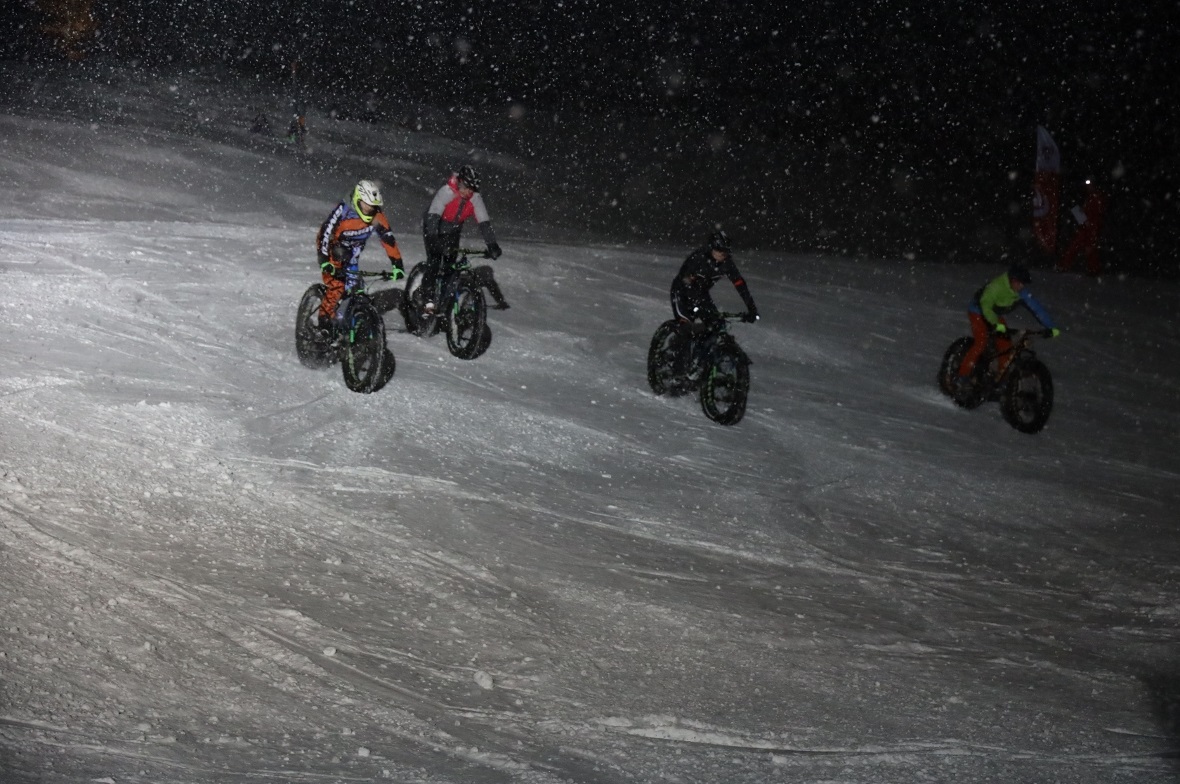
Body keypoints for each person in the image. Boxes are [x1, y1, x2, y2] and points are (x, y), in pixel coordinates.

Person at [953, 263, 1060, 394]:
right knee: (981, 343)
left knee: (1006, 346)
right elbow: (986, 305)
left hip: (994, 314)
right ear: (1012, 280)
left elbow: (1037, 308)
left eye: (1023, 284)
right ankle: (962, 376)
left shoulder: (1021, 292)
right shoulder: (996, 286)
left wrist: (1051, 326)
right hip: (978, 311)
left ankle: (1001, 379)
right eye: (1019, 283)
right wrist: (995, 324)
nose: (1021, 287)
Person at [315, 180, 405, 330]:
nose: (369, 210)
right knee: (337, 286)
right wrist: (324, 260)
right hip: (332, 249)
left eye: (372, 207)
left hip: (352, 254)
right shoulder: (343, 211)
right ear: (357, 199)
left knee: (357, 291)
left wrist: (397, 265)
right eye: (366, 205)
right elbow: (325, 233)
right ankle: (323, 322)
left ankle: (350, 327)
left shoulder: (377, 217)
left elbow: (388, 239)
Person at [668, 230, 759, 372]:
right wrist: (696, 305)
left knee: (715, 325)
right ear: (711, 248)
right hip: (681, 292)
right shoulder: (698, 258)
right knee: (685, 327)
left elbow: (740, 284)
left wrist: (751, 308)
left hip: (701, 294)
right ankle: (677, 368)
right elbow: (685, 281)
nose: (723, 255)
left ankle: (700, 363)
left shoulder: (726, 263)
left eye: (726, 252)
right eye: (719, 251)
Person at [420, 165, 503, 312]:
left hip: (453, 230)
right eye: (465, 187)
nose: (468, 192)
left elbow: (484, 223)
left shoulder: (475, 198)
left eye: (471, 189)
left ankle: (444, 299)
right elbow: (433, 217)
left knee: (450, 265)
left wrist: (492, 245)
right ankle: (427, 299)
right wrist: (434, 240)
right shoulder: (446, 192)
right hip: (434, 226)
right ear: (459, 183)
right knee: (434, 261)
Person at [1057, 179, 1107, 276]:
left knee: (1089, 249)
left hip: (1090, 227)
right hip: (1085, 227)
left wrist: (1089, 224)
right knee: (1077, 247)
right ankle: (1064, 266)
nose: (1088, 187)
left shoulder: (1096, 198)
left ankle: (1094, 270)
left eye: (1090, 185)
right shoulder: (1090, 197)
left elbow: (1096, 216)